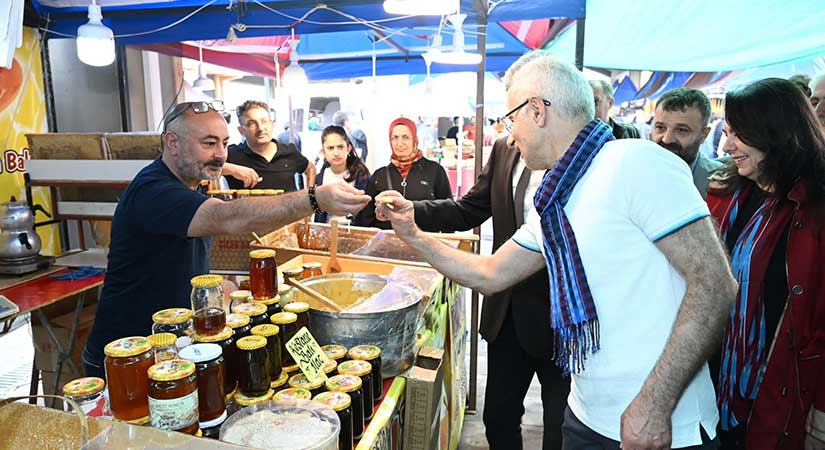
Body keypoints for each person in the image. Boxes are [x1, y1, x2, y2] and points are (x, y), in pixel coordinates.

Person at [374, 51, 737, 450]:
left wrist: (655, 403)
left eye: (511, 119)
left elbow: (715, 283)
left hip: (661, 425)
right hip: (586, 414)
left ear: (536, 110)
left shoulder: (635, 162)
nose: (511, 135)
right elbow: (491, 273)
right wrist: (411, 234)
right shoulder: (557, 198)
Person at [82, 101, 371, 378]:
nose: (221, 154)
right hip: (126, 358)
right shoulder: (153, 191)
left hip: (169, 350)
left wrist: (225, 288)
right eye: (209, 143)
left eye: (223, 142)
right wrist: (314, 198)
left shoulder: (190, 187)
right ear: (172, 143)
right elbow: (229, 218)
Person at [414, 136, 569, 450]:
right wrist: (412, 211)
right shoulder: (505, 148)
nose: (510, 130)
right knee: (498, 420)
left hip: (561, 320)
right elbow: (469, 209)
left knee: (560, 430)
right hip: (507, 312)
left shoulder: (581, 155)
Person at [707, 78, 825, 450]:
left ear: (773, 132)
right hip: (712, 391)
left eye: (737, 134)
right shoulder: (724, 193)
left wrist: (821, 414)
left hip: (781, 398)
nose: (726, 146)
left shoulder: (815, 210)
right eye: (726, 133)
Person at [355, 117, 452, 229]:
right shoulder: (380, 175)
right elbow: (366, 218)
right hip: (388, 243)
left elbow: (447, 211)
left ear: (414, 140)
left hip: (424, 243)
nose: (399, 143)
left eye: (405, 137)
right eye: (395, 138)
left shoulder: (434, 171)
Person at [651, 88, 725, 198]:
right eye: (660, 127)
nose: (667, 139)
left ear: (704, 135)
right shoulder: (631, 173)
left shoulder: (722, 183)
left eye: (682, 130)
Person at [226, 100, 314, 192]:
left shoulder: (289, 152)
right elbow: (210, 170)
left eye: (264, 121)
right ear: (241, 130)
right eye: (252, 123)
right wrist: (232, 169)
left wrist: (310, 197)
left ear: (272, 124)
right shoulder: (232, 154)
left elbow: (310, 168)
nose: (260, 128)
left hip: (288, 206)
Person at [314, 125, 371, 224]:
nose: (336, 153)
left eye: (340, 147)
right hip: (327, 232)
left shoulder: (363, 177)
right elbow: (317, 213)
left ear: (348, 148)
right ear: (323, 152)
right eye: (330, 148)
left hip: (356, 233)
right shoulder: (319, 179)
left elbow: (368, 215)